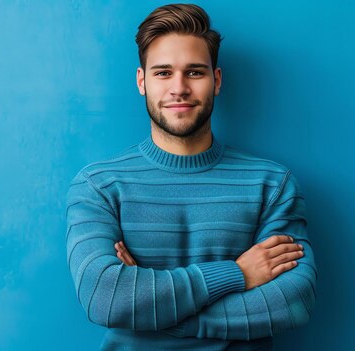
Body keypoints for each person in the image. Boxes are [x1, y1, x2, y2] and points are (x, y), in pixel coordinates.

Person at [65, 3, 316, 350]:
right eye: (163, 73)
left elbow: (293, 303)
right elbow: (106, 299)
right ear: (142, 81)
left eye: (195, 72)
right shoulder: (99, 185)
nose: (179, 88)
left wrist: (150, 310)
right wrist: (238, 275)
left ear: (216, 80)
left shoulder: (272, 184)